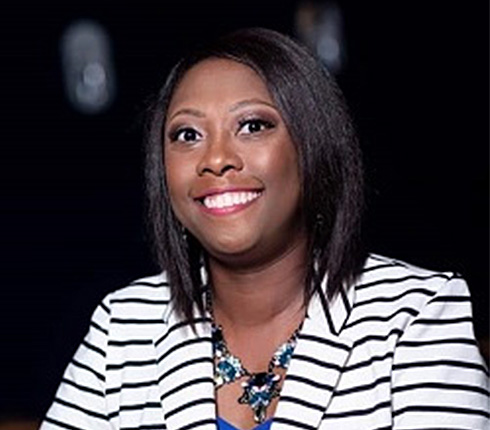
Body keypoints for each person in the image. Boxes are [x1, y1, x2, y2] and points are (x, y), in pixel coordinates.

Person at [41, 28, 489, 430]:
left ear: (312, 147)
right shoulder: (122, 326)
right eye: (187, 135)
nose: (216, 159)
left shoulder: (415, 314)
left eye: (252, 126)